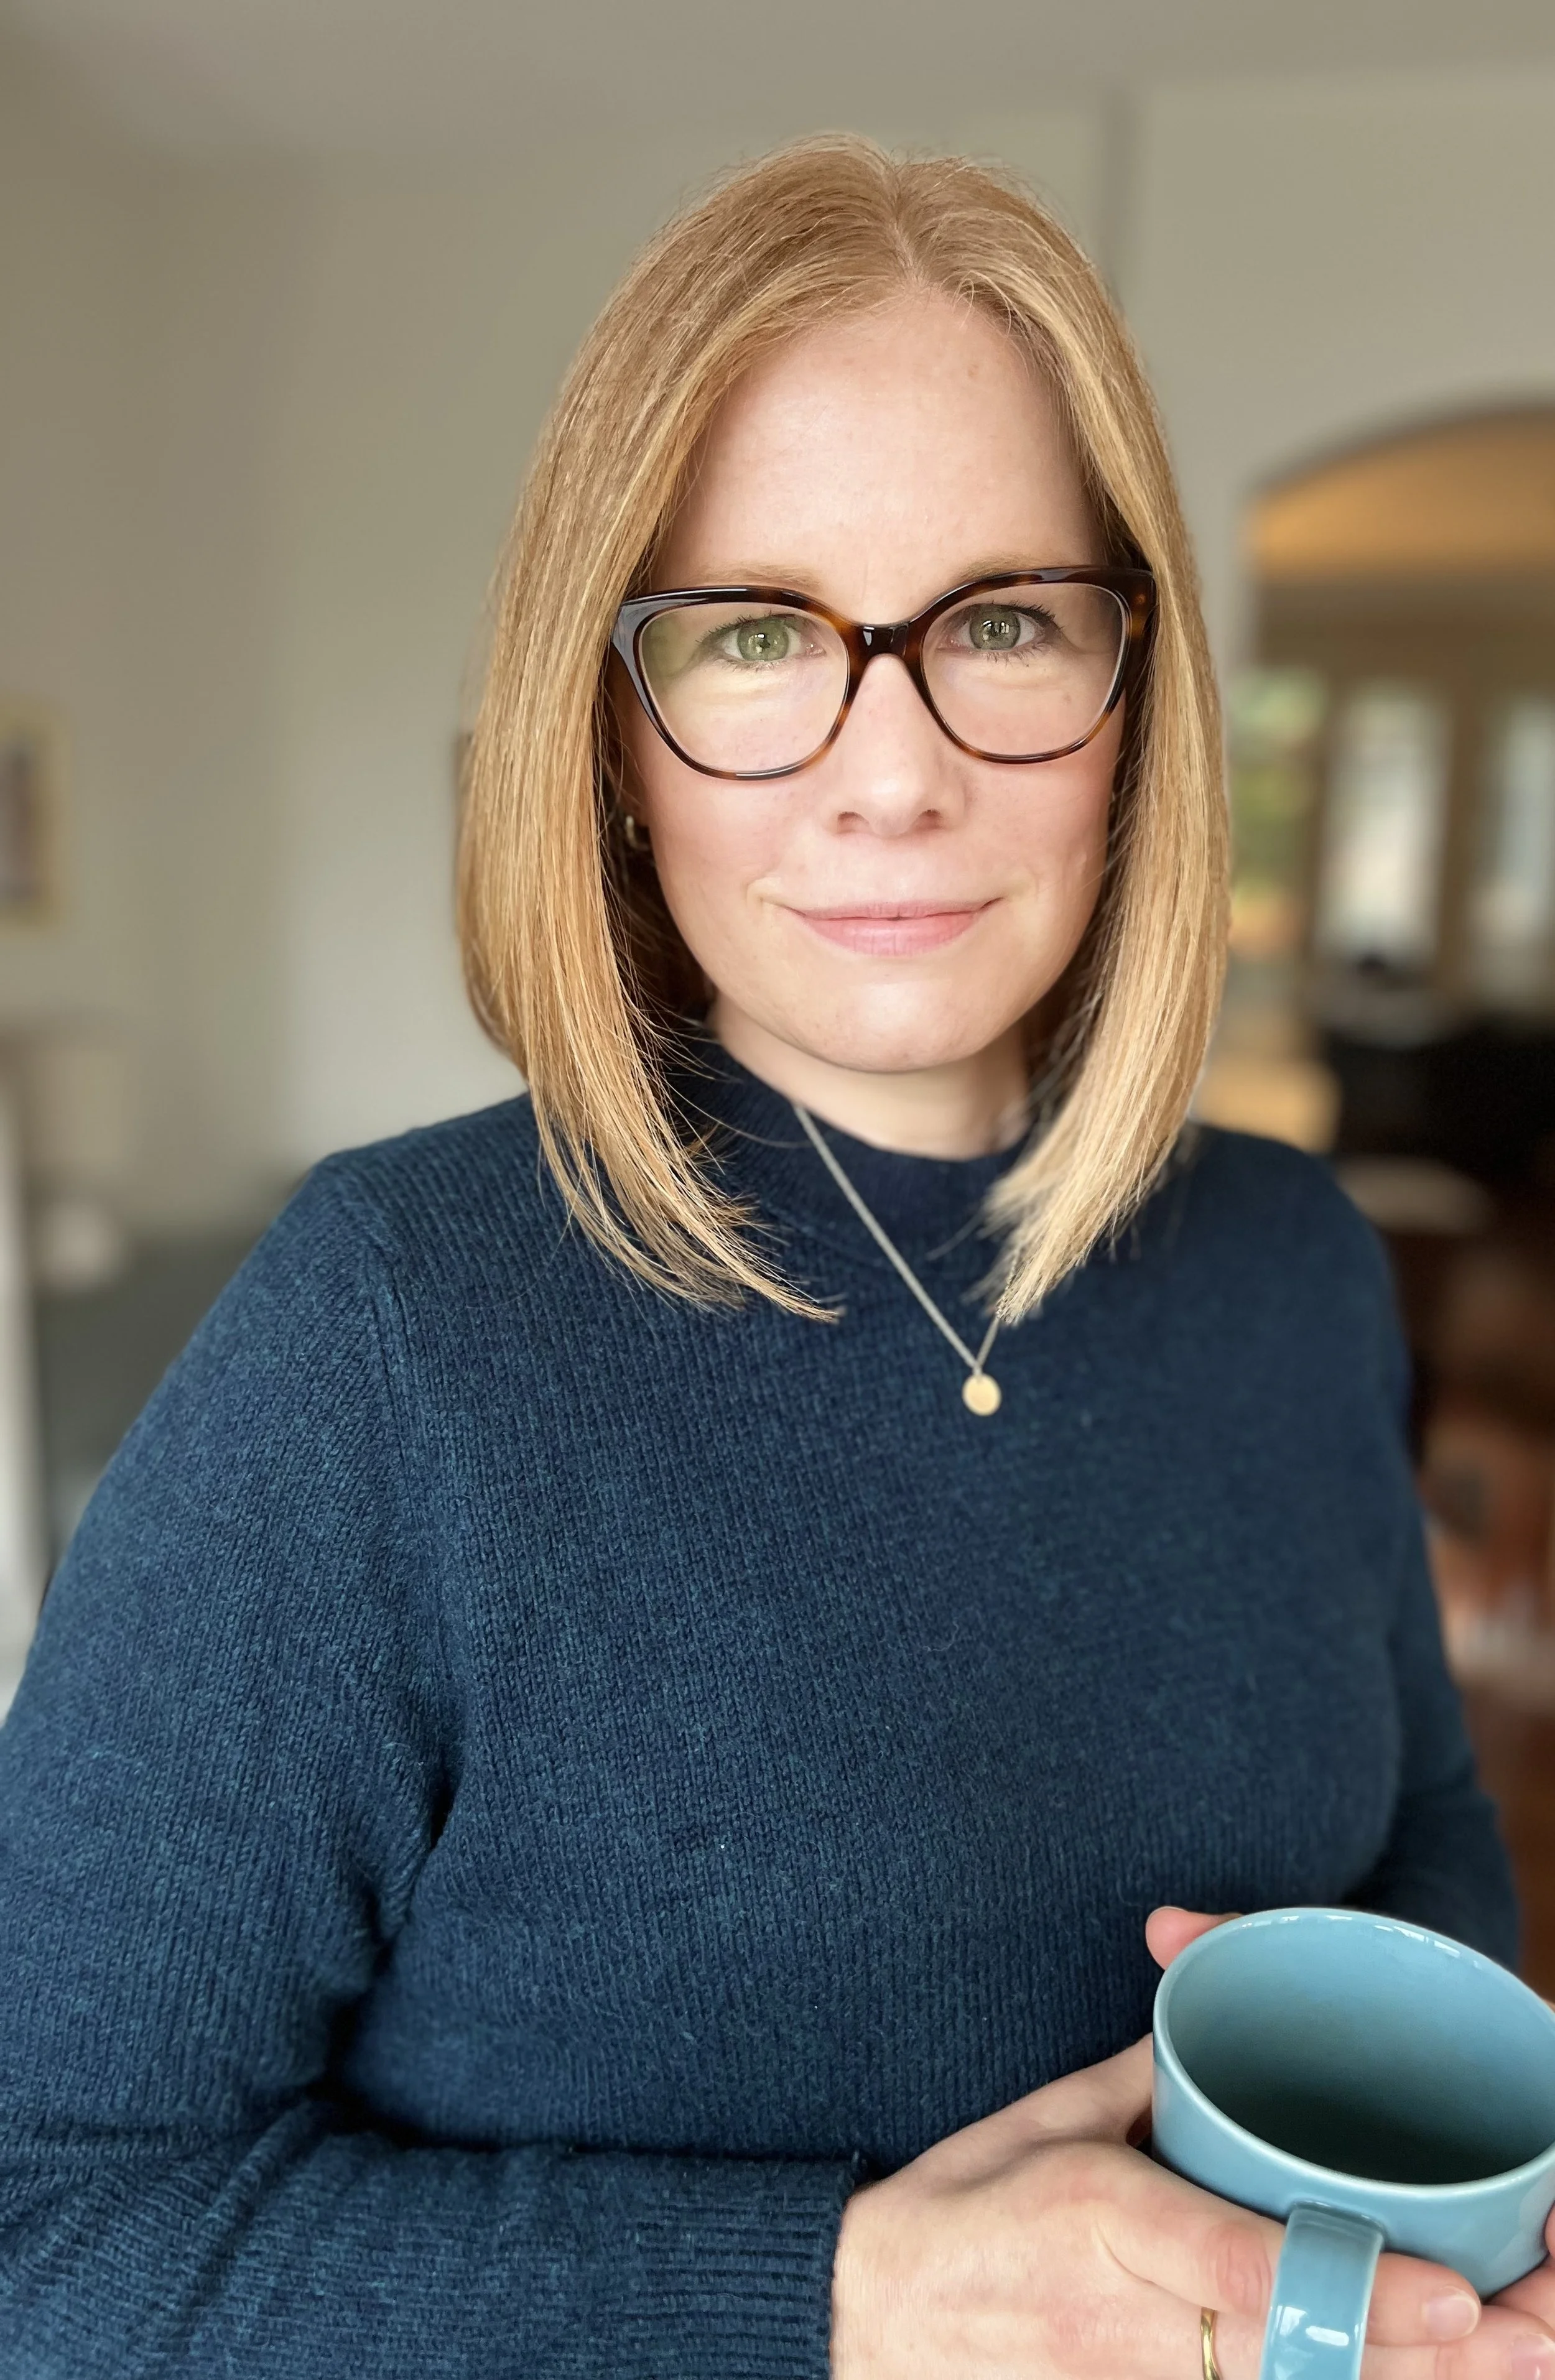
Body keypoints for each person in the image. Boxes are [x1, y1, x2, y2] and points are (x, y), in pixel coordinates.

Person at [0, 133, 1544, 2380]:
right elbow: (45, 2230)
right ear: (613, 736)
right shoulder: (392, 1333)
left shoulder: (1294, 1267)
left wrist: (1424, 2255)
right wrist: (843, 2294)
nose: (890, 771)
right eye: (754, 636)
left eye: (1002, 621)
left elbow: (1421, 1823)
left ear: (1139, 696)